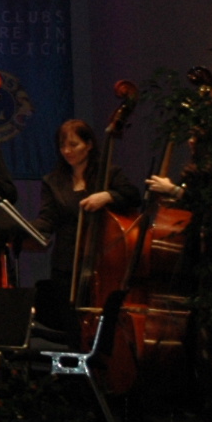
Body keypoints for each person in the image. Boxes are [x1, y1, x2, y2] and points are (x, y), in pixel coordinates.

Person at [32, 117, 141, 335]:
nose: (67, 151)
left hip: (103, 261)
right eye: (62, 146)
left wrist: (108, 196)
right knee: (71, 325)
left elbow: (133, 196)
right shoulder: (53, 181)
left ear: (89, 144)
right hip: (66, 264)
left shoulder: (108, 173)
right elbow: (47, 219)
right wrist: (25, 229)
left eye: (73, 145)